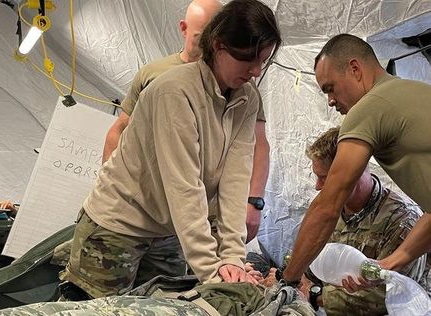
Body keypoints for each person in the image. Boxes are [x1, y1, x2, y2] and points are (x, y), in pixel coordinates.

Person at [59, 0, 282, 300]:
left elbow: (235, 178)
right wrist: (212, 272)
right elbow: (183, 185)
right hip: (117, 226)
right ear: (218, 46)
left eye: (263, 61)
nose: (255, 71)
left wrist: (232, 257)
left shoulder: (247, 99)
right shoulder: (174, 91)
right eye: (247, 59)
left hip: (166, 233)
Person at [103, 0, 269, 243]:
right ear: (184, 29)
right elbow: (119, 131)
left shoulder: (241, 87)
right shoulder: (159, 77)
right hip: (137, 213)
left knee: (173, 279)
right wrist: (112, 188)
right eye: (202, 34)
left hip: (188, 218)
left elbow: (255, 146)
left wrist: (253, 201)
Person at [278, 34, 431, 290]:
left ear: (355, 69)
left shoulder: (369, 107)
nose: (330, 100)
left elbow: (327, 205)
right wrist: (388, 264)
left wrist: (289, 279)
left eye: (330, 88)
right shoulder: (416, 93)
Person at [300, 126, 428, 315]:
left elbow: (393, 294)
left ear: (352, 173)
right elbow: (308, 265)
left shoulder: (402, 219)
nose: (317, 187)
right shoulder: (327, 214)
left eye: (324, 178)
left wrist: (315, 296)